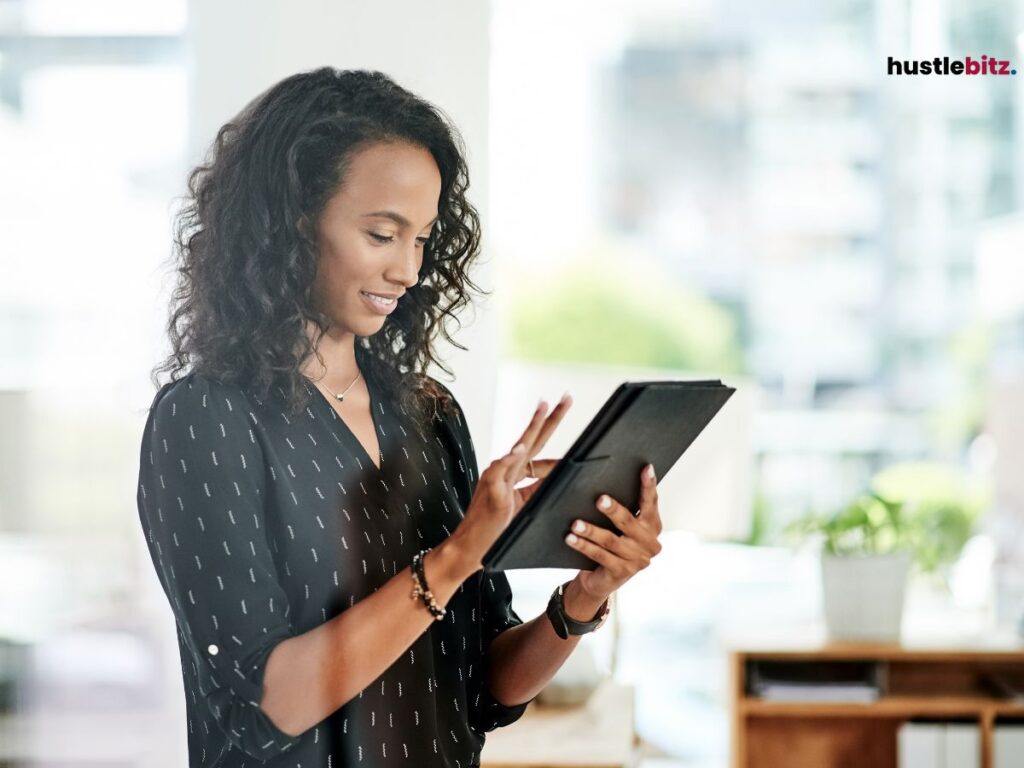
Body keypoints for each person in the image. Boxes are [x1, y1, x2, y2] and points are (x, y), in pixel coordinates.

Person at [135, 67, 664, 767]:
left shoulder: (427, 414)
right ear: (293, 223)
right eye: (382, 234)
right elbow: (273, 704)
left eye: (422, 239)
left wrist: (582, 600)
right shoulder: (205, 420)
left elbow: (489, 690)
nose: (408, 270)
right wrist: (456, 553)